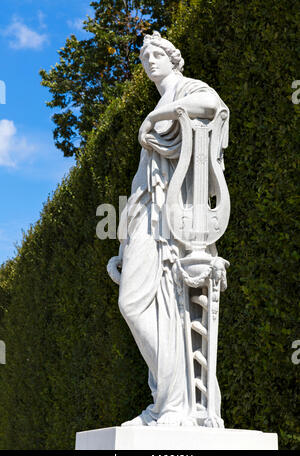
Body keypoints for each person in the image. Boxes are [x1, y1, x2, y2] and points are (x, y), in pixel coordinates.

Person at [107, 31, 228, 426]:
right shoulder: (163, 99)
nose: (149, 61)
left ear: (173, 59)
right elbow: (141, 181)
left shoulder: (187, 88)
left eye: (156, 53)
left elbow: (213, 106)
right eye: (143, 57)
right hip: (146, 213)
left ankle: (176, 403)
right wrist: (124, 245)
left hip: (173, 216)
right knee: (152, 307)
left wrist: (156, 116)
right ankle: (167, 399)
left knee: (142, 304)